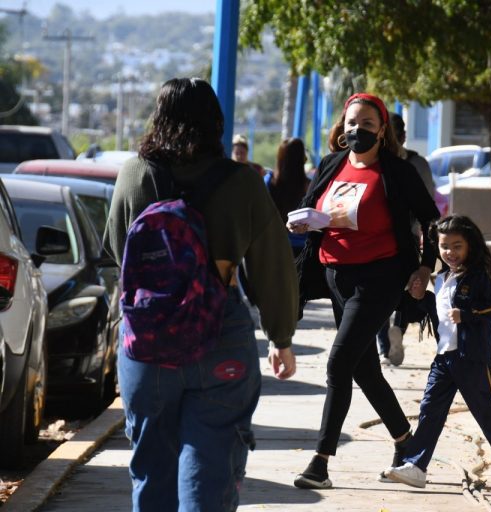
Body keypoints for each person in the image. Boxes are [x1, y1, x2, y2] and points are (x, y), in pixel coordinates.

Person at [104, 77, 298, 512]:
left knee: (152, 468)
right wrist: (281, 337)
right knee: (211, 469)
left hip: (148, 340)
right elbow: (272, 265)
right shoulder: (243, 183)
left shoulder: (134, 175)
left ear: (159, 118)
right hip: (219, 334)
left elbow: (119, 252)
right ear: (216, 124)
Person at [288, 92, 440, 489]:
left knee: (338, 364)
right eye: (353, 123)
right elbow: (312, 208)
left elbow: (430, 220)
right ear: (343, 126)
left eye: (368, 125)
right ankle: (406, 442)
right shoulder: (331, 164)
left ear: (382, 130)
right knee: (364, 369)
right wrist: (302, 224)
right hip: (337, 277)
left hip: (380, 279)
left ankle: (320, 463)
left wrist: (425, 265)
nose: (358, 130)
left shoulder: (396, 172)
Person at [384, 215, 491, 495]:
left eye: (457, 246)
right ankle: (416, 467)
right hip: (443, 359)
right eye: (445, 246)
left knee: (488, 415)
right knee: (430, 410)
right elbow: (437, 314)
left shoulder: (477, 278)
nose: (450, 253)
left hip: (471, 359)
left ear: (470, 246)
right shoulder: (441, 278)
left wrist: (467, 315)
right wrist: (418, 297)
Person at [377, 112, 437, 366]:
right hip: (409, 239)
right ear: (402, 135)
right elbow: (429, 206)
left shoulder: (373, 162)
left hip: (377, 240)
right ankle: (398, 330)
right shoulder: (417, 163)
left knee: (378, 297)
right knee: (408, 289)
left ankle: (383, 347)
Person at [264, 138, 312, 257]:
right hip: (303, 247)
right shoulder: (309, 185)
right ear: (303, 159)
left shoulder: (269, 182)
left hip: (275, 245)